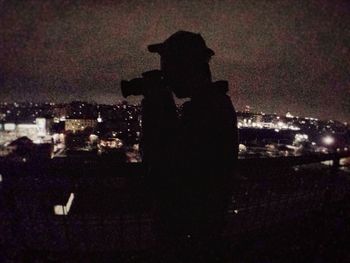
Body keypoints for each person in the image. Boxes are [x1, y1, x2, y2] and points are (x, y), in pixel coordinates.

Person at [141, 31, 238, 261]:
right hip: (198, 229)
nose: (165, 73)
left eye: (167, 65)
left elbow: (162, 164)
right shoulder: (212, 105)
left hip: (187, 234)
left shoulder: (206, 111)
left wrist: (157, 106)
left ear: (184, 67)